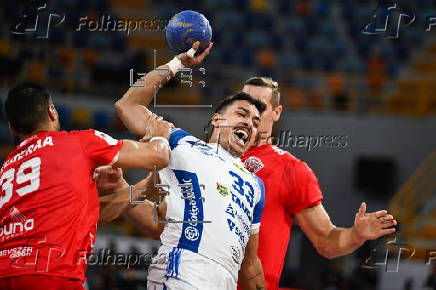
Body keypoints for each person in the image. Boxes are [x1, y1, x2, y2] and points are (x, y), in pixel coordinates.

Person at [114, 42, 267, 290]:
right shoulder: (181, 142)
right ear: (217, 119)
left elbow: (250, 264)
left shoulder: (256, 185)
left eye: (256, 121)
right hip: (182, 270)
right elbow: (128, 106)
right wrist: (177, 64)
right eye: (242, 114)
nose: (250, 123)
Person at [0, 83, 172, 289]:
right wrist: (159, 135)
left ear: (12, 127)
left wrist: (138, 187)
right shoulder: (78, 143)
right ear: (51, 111)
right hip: (53, 275)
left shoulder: (7, 167)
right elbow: (157, 157)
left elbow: (87, 217)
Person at [240, 77, 398, 289]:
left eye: (259, 106)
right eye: (244, 103)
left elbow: (326, 240)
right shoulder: (209, 156)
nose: (251, 113)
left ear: (277, 113)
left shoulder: (291, 170)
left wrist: (355, 234)